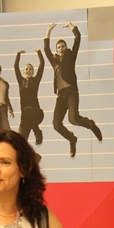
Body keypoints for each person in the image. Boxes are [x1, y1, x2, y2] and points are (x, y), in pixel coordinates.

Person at [43, 22, 102, 157]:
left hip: (71, 92)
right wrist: (48, 31)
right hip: (61, 95)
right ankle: (72, 139)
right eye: (59, 47)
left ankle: (91, 125)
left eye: (63, 46)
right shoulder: (54, 61)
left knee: (73, 119)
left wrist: (71, 26)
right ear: (56, 50)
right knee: (56, 124)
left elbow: (78, 38)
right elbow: (46, 49)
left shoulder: (70, 57)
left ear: (66, 48)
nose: (61, 48)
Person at [13, 49, 45, 145]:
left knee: (29, 114)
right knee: (20, 140)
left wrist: (39, 52)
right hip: (25, 113)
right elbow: (15, 67)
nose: (28, 71)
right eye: (26, 69)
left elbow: (42, 64)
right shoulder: (21, 81)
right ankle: (37, 132)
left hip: (35, 111)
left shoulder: (36, 80)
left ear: (33, 72)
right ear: (24, 71)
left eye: (30, 69)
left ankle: (37, 133)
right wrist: (18, 54)